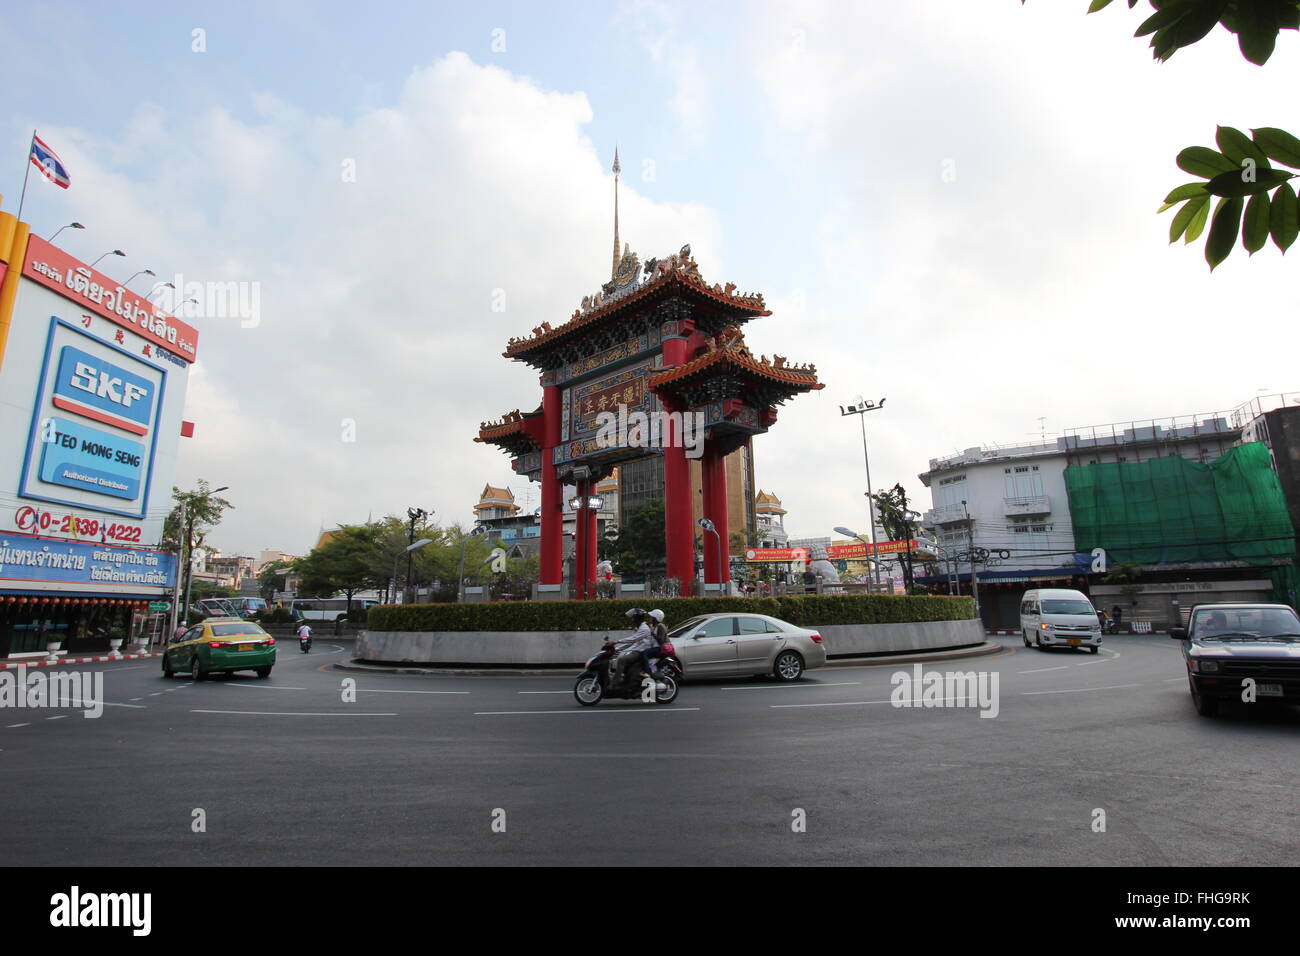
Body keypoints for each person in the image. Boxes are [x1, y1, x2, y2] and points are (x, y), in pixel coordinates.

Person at [610, 608, 654, 687]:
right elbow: (632, 642)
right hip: (637, 649)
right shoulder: (640, 627)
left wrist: (617, 641)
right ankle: (627, 680)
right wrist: (617, 649)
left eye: (633, 618)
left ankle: (615, 683)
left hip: (640, 651)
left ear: (637, 618)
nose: (631, 620)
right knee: (623, 658)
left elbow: (632, 639)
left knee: (622, 660)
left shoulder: (644, 628)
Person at [640, 609, 668, 677]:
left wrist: (653, 633)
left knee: (644, 653)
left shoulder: (660, 626)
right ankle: (652, 670)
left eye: (652, 617)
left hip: (659, 649)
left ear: (655, 618)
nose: (650, 618)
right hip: (656, 647)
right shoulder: (656, 626)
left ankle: (648, 672)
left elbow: (661, 640)